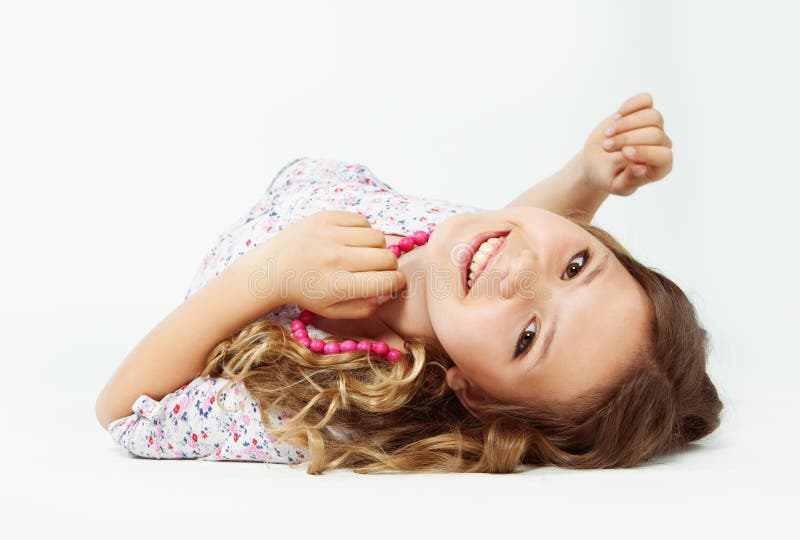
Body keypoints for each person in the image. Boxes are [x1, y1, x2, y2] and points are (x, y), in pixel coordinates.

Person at [95, 92, 723, 473]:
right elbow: (531, 233)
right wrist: (588, 175)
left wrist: (269, 273)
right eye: (579, 265)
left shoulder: (329, 406)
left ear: (474, 392)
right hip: (308, 187)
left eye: (530, 337)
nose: (520, 273)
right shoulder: (473, 256)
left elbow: (119, 413)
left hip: (224, 285)